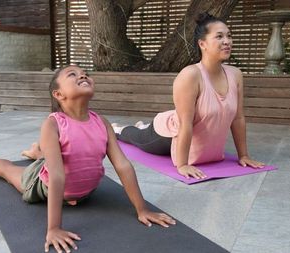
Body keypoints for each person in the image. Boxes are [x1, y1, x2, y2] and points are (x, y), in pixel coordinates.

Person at [0, 65, 175, 253]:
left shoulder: (102, 122)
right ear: (58, 94)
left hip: (84, 193)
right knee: (10, 173)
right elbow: (56, 175)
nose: (82, 75)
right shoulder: (53, 124)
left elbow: (123, 165)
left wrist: (142, 210)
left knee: (54, 157)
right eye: (72, 74)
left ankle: (38, 153)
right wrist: (54, 228)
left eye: (85, 73)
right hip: (42, 184)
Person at [113, 12, 265, 180]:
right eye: (219, 37)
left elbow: (238, 118)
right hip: (167, 135)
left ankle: (141, 126)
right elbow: (185, 124)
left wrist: (243, 155)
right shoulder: (190, 75)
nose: (227, 41)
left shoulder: (235, 75)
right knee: (134, 138)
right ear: (202, 44)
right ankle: (117, 128)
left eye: (229, 36)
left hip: (188, 126)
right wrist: (183, 164)